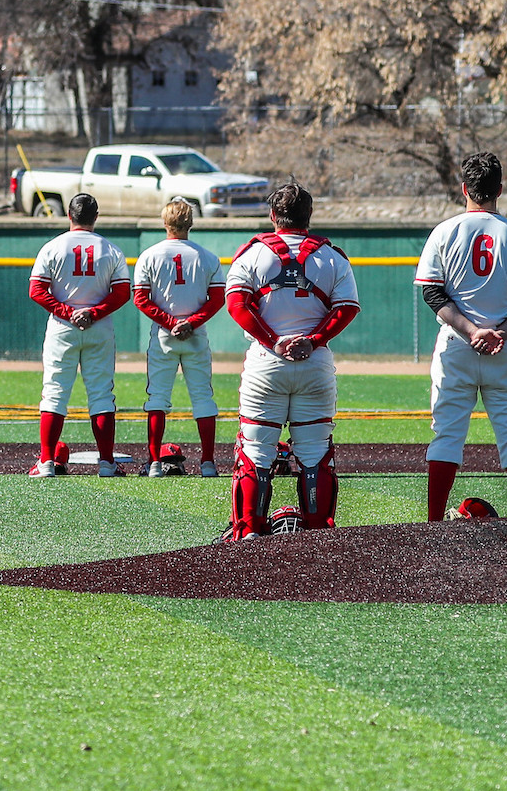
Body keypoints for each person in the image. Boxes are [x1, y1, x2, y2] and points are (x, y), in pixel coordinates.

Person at [414, 152, 507, 521]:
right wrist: (498, 332)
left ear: (464, 189)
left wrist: (472, 331)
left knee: (446, 435)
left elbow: (432, 293)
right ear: (500, 190)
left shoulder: (444, 231)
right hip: (503, 348)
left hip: (456, 345)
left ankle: (434, 523)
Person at [222, 181, 359, 539]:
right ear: (309, 215)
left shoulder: (253, 254)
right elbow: (347, 309)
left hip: (266, 363)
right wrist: (313, 341)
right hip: (314, 364)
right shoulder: (332, 257)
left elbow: (236, 305)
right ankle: (318, 534)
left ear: (272, 216)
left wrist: (275, 341)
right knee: (315, 455)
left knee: (255, 452)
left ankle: (248, 532)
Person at [27, 193, 132, 478]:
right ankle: (107, 463)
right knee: (101, 395)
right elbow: (122, 292)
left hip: (63, 327)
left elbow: (36, 290)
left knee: (54, 393)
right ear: (96, 216)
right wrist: (93, 313)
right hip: (98, 328)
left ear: (69, 215)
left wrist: (67, 312)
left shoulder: (53, 246)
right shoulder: (111, 249)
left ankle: (46, 462)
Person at [132, 198, 226, 476]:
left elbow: (141, 299)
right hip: (196, 335)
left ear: (165, 222)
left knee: (157, 399)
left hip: (164, 335)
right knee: (203, 398)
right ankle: (208, 463)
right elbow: (217, 299)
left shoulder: (149, 255)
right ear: (191, 223)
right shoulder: (208, 257)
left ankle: (154, 463)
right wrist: (190, 323)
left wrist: (172, 323)